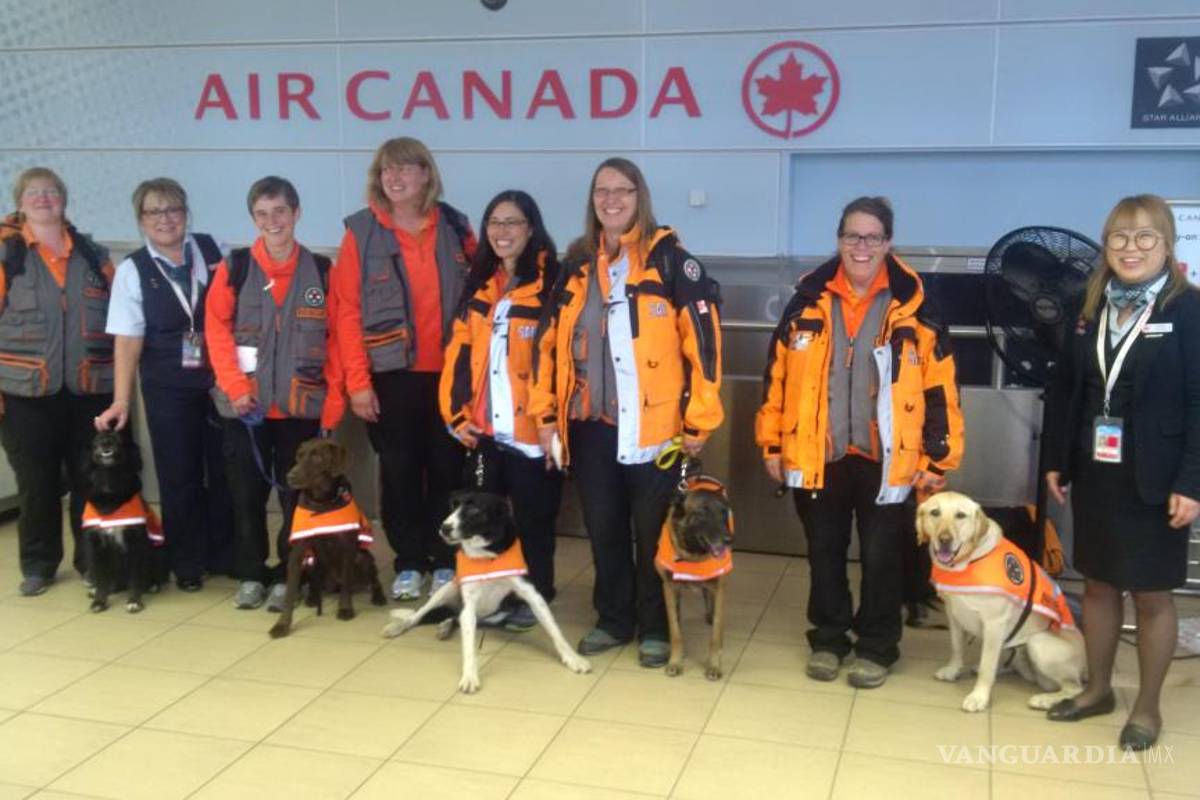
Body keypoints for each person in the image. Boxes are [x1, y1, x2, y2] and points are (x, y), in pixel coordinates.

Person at [756, 196, 964, 688]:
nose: (861, 246)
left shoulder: (915, 305)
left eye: (872, 237)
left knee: (881, 556)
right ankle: (829, 640)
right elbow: (776, 380)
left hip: (890, 461)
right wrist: (771, 444)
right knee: (823, 553)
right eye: (852, 236)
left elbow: (941, 387)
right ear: (839, 240)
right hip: (817, 455)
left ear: (888, 243)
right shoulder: (807, 300)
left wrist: (938, 456)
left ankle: (876, 646)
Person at [530, 157, 723, 667]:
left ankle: (655, 626)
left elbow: (704, 346)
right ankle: (613, 618)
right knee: (605, 529)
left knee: (653, 531)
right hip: (590, 427)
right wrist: (545, 416)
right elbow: (547, 347)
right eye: (602, 191)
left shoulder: (671, 262)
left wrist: (700, 419)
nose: (611, 200)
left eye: (622, 190)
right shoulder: (576, 265)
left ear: (641, 198)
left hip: (657, 430)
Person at [1043, 194, 1200, 750]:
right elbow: (1068, 389)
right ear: (1106, 245)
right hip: (1097, 472)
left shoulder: (1188, 310)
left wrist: (1192, 482)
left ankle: (1147, 708)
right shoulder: (1089, 307)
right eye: (1119, 237)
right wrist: (1056, 460)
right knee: (1099, 583)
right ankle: (1097, 690)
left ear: (1167, 244)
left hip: (1158, 480)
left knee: (1152, 595)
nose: (1131, 249)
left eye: (1144, 237)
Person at [331, 137, 475, 601]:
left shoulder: (456, 227)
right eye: (386, 170)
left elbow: (483, 299)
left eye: (405, 168)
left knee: (448, 470)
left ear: (426, 174)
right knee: (400, 473)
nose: (394, 177)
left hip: (450, 378)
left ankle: (445, 559)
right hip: (390, 378)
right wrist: (357, 384)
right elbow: (347, 312)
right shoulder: (360, 233)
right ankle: (409, 561)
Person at [205, 176, 345, 611]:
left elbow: (338, 342)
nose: (272, 221)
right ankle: (251, 574)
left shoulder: (322, 271)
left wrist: (332, 408)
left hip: (301, 411)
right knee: (245, 496)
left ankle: (289, 575)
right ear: (253, 218)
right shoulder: (235, 268)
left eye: (280, 211)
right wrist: (235, 387)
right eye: (262, 214)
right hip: (244, 409)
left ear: (296, 213)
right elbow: (216, 332)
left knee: (294, 499)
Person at [95, 178, 233, 591]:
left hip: (222, 382)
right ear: (141, 220)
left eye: (173, 209)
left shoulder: (215, 249)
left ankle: (226, 553)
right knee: (179, 475)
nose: (165, 219)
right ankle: (187, 562)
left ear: (186, 213)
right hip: (167, 387)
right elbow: (127, 339)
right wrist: (121, 400)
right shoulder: (132, 270)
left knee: (226, 471)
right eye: (154, 211)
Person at [439, 190, 563, 631]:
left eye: (512, 222)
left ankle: (536, 595)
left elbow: (559, 361)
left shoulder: (553, 284)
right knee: (481, 523)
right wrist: (455, 415)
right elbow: (457, 355)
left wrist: (551, 424)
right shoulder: (480, 283)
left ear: (531, 229)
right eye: (494, 222)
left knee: (533, 522)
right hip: (484, 433)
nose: (502, 231)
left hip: (533, 434)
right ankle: (486, 599)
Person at [0, 167, 116, 596]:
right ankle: (38, 564)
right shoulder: (7, 253)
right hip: (24, 392)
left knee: (89, 479)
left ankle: (91, 562)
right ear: (20, 201)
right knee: (37, 482)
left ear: (64, 199)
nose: (43, 198)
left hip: (90, 390)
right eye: (33, 192)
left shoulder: (92, 254)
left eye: (51, 191)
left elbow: (121, 317)